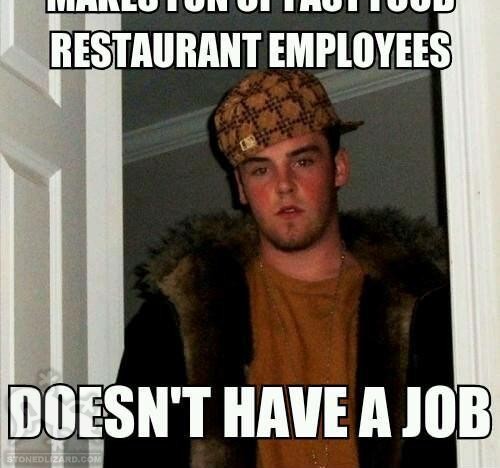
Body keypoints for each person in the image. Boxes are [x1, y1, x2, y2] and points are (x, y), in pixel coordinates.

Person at [104, 70, 455, 467]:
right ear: (241, 188)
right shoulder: (175, 321)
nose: (283, 185)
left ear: (339, 168)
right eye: (261, 169)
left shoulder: (428, 311)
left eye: (302, 161)